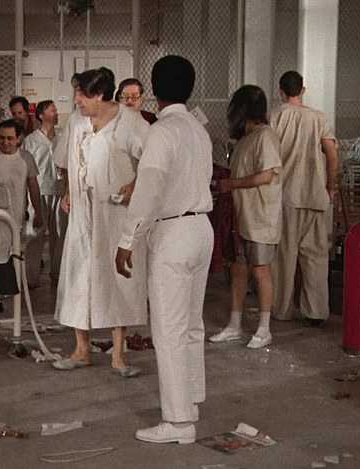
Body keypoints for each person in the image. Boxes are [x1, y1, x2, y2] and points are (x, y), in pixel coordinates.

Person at [115, 55, 213, 444]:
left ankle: (178, 422)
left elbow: (149, 191)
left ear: (153, 90)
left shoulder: (162, 132)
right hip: (201, 228)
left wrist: (127, 239)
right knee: (190, 325)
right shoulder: (198, 130)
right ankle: (190, 401)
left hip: (173, 232)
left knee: (169, 329)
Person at [52, 67, 149, 377]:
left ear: (100, 95)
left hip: (115, 213)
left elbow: (153, 160)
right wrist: (68, 190)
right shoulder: (76, 122)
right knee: (79, 275)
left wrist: (134, 184)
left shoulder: (130, 122)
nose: (76, 100)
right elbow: (66, 161)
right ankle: (81, 349)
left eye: (82, 95)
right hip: (82, 212)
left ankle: (118, 354)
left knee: (116, 278)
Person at [210, 85, 282, 349]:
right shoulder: (243, 140)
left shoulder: (266, 136)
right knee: (238, 269)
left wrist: (232, 184)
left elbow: (266, 175)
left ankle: (264, 328)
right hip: (240, 217)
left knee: (260, 270)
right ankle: (234, 324)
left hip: (261, 218)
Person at [268, 71, 339, 328]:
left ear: (280, 90)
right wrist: (329, 186)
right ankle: (316, 311)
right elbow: (332, 154)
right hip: (314, 195)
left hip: (286, 195)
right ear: (303, 90)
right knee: (316, 256)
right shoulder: (318, 117)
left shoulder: (275, 116)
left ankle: (281, 308)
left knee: (284, 257)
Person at [22, 100, 66, 287]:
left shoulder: (63, 136)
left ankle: (58, 275)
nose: (56, 114)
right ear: (41, 115)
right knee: (35, 234)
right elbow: (26, 168)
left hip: (60, 189)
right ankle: (30, 278)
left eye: (56, 110)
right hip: (38, 191)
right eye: (52, 111)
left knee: (60, 233)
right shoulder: (31, 141)